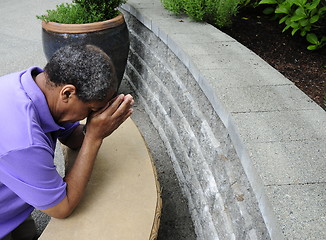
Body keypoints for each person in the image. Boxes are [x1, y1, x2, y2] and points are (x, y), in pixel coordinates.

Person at [0, 44, 134, 239]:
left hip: (13, 201)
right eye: (92, 109)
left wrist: (95, 128)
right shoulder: (24, 140)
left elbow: (72, 137)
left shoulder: (35, 86)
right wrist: (94, 137)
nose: (93, 116)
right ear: (68, 93)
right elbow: (62, 207)